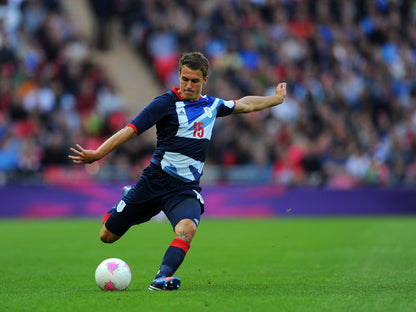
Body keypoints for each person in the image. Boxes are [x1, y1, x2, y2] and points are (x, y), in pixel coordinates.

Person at [68, 52, 287, 291]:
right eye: (184, 79)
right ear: (179, 76)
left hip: (184, 189)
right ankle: (124, 200)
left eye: (194, 81)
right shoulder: (164, 104)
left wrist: (275, 99)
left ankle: (161, 278)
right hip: (154, 181)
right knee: (107, 236)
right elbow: (130, 130)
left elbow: (245, 104)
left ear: (205, 80)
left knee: (187, 229)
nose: (188, 85)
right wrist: (98, 153)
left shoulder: (212, 105)